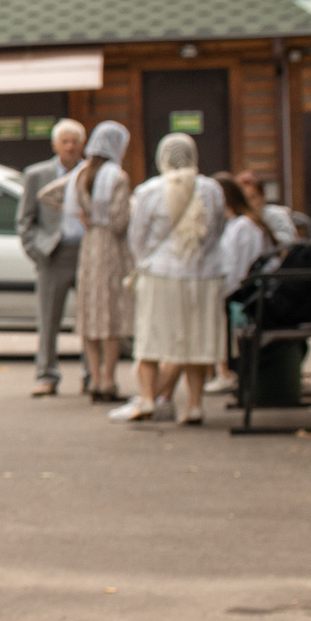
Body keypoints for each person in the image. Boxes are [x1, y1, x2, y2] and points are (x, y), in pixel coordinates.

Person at [113, 132, 227, 426]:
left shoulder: (150, 191)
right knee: (195, 342)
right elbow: (216, 231)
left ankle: (149, 399)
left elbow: (136, 235)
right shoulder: (211, 189)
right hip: (202, 277)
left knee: (152, 340)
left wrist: (145, 261)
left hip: (160, 274)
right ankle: (194, 406)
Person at [17, 118, 88, 396]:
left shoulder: (91, 173)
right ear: (55, 145)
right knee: (48, 320)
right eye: (65, 141)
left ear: (83, 144)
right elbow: (25, 220)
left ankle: (92, 374)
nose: (70, 147)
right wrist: (36, 251)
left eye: (75, 141)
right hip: (53, 253)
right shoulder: (37, 175)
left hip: (86, 252)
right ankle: (46, 375)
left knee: (91, 320)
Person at [68, 120, 135, 403]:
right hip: (111, 248)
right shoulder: (118, 177)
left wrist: (86, 219)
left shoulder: (81, 175)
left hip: (90, 245)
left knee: (91, 313)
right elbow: (120, 222)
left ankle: (94, 378)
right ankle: (109, 379)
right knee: (111, 315)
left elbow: (53, 197)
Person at [202, 171, 273, 396]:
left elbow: (242, 270)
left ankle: (224, 371)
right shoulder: (235, 224)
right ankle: (215, 371)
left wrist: (221, 292)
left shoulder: (244, 226)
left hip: (252, 292)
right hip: (244, 287)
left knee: (214, 304)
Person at [234, 167, 300, 247]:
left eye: (252, 198)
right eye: (244, 199)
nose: (248, 203)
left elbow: (289, 241)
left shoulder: (275, 215)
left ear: (262, 196)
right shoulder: (237, 218)